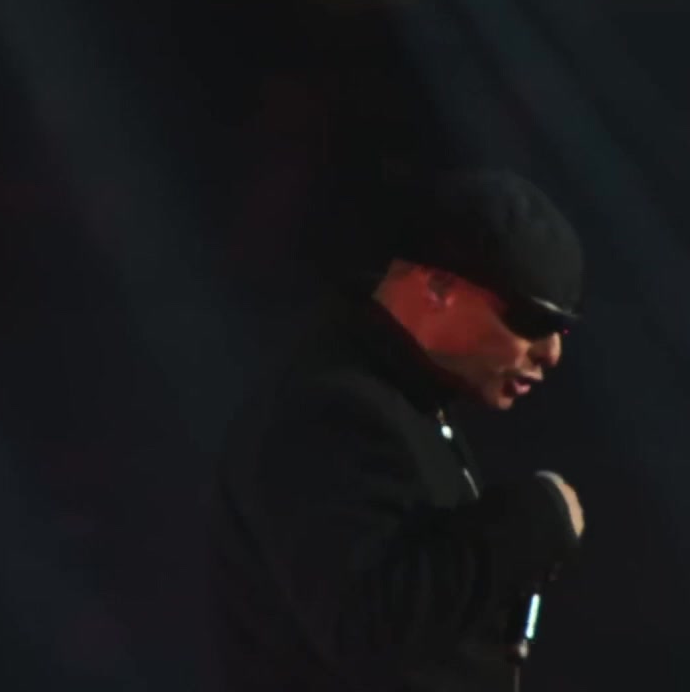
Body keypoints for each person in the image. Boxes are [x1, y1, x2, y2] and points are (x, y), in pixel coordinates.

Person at [212, 169, 587, 691]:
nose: (552, 352)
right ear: (438, 287)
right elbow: (366, 625)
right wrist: (533, 521)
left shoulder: (407, 400)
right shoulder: (332, 409)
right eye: (530, 320)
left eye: (561, 328)